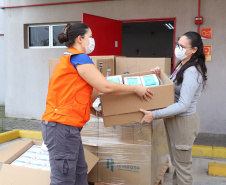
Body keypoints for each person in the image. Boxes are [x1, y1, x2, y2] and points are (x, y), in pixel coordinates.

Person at [41, 22, 154, 185]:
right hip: (62, 127)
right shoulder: (78, 58)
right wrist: (136, 88)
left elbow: (81, 93)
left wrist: (94, 112)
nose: (93, 40)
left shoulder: (69, 59)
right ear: (80, 39)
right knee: (63, 179)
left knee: (80, 171)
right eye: (90, 36)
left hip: (66, 127)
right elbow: (104, 86)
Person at [140, 31, 207, 185]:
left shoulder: (192, 71)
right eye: (177, 44)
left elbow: (183, 105)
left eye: (182, 46)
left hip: (183, 123)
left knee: (183, 167)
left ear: (194, 50)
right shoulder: (182, 64)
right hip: (174, 119)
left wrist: (154, 114)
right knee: (177, 163)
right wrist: (160, 75)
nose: (178, 48)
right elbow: (172, 87)